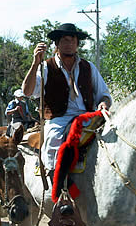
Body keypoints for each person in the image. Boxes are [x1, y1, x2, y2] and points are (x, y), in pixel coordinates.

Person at [22, 23, 111, 175]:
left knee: (117, 135)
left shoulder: (88, 67)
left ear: (77, 44)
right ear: (57, 44)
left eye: (72, 40)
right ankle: (58, 186)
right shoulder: (45, 67)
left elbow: (104, 95)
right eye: (65, 40)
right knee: (53, 141)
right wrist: (35, 63)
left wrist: (103, 103)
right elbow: (27, 91)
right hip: (59, 119)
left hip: (87, 116)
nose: (69, 44)